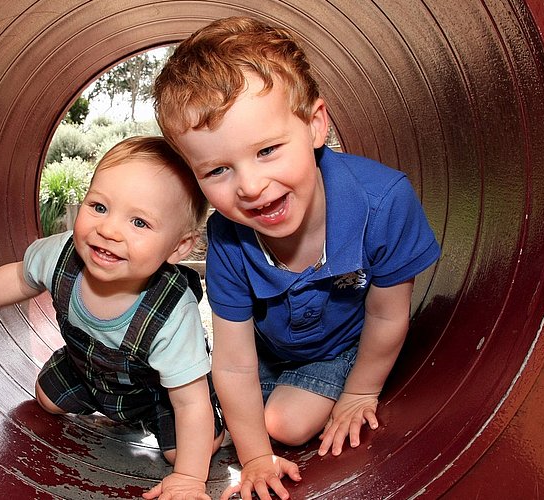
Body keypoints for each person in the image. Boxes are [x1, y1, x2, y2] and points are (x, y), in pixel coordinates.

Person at [153, 16, 442, 500]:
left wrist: (359, 392)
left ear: (315, 126)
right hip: (270, 352)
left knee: (282, 423)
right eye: (218, 169)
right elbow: (235, 361)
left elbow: (388, 313)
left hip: (342, 347)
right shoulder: (228, 238)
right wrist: (255, 460)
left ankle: (308, 395)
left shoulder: (382, 201)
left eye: (267, 150)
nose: (249, 186)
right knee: (188, 436)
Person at [0, 136, 225, 500]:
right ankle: (96, 396)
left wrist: (189, 477)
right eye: (99, 206)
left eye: (139, 222)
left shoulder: (173, 314)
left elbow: (188, 402)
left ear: (179, 247)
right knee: (45, 398)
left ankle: (213, 422)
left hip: (160, 393)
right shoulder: (62, 255)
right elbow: (18, 278)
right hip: (87, 369)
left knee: (183, 451)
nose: (108, 230)